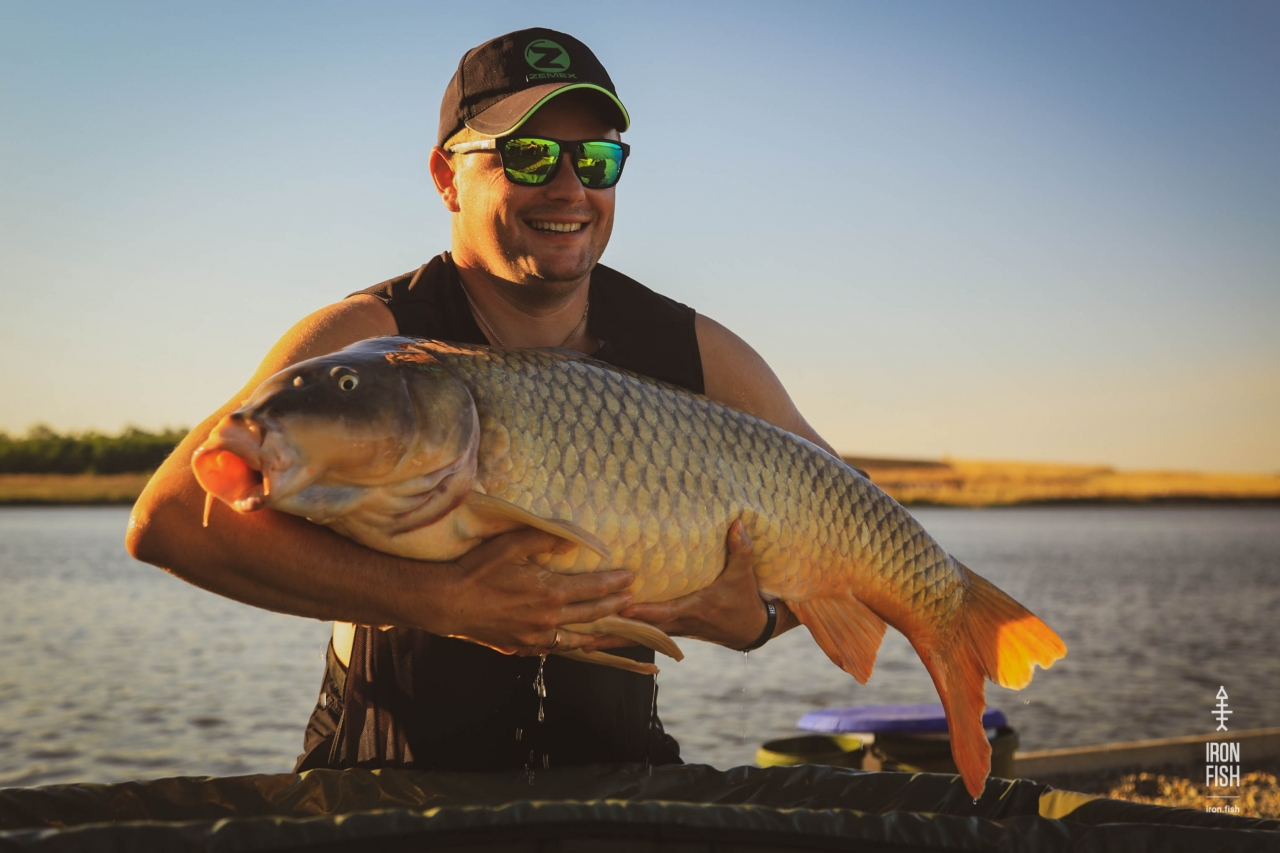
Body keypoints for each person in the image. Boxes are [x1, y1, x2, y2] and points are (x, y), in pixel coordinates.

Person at [127, 28, 840, 771]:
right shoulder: (371, 340)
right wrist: (441, 599)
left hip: (622, 780)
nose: (569, 188)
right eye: (528, 155)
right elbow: (170, 519)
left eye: (595, 160)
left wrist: (760, 621)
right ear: (447, 177)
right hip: (387, 784)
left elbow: (863, 535)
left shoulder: (692, 349)